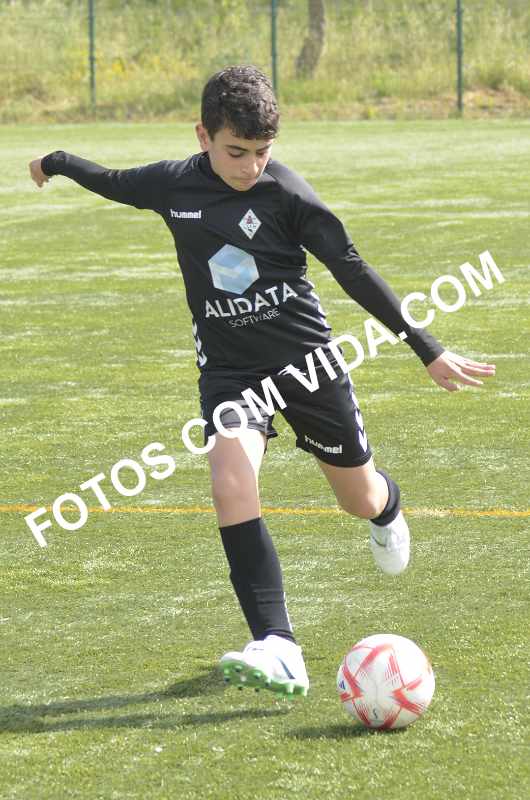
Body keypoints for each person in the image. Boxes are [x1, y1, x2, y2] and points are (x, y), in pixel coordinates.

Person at [29, 65, 495, 698]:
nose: (250, 166)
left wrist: (426, 349)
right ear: (203, 136)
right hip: (231, 372)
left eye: (262, 151)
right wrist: (56, 161)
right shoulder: (173, 185)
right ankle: (279, 645)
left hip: (307, 364)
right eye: (236, 151)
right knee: (229, 483)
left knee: (357, 498)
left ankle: (387, 505)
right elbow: (111, 181)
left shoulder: (287, 195)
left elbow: (352, 269)